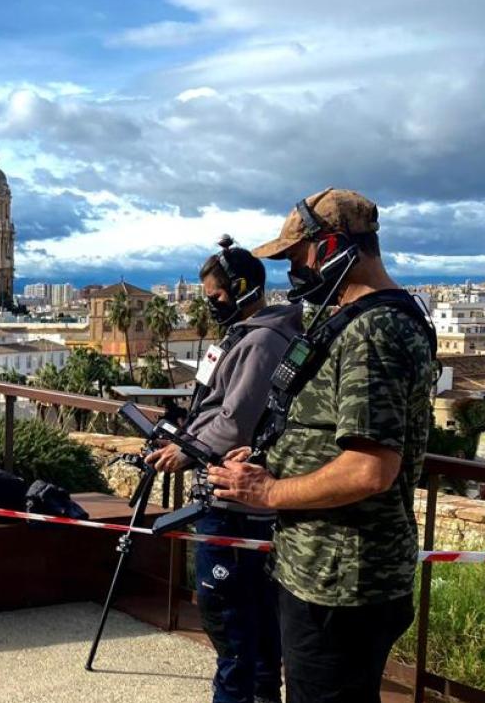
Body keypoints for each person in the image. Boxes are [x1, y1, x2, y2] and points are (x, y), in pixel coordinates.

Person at [209, 188, 435, 703]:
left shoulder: (375, 331)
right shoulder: (352, 321)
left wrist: (268, 493)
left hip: (343, 580)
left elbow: (369, 469)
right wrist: (269, 458)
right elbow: (327, 429)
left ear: (331, 247)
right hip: (324, 572)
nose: (293, 272)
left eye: (296, 257)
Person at [146, 236, 301, 703]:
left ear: (241, 288)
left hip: (236, 501)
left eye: (216, 296)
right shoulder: (248, 336)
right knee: (248, 621)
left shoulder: (262, 341)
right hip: (228, 496)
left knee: (232, 621)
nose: (211, 305)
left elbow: (237, 417)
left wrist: (187, 451)